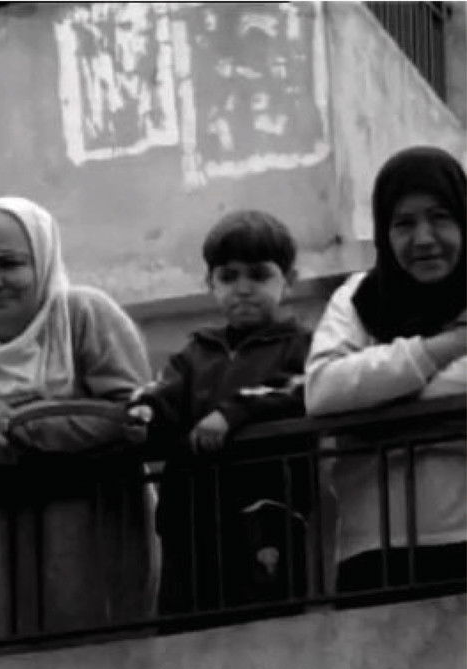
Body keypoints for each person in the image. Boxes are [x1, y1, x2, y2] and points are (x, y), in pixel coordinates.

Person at [0, 196, 157, 632]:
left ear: (43, 259)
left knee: (89, 649)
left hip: (89, 527)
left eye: (9, 263)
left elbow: (134, 413)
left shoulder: (83, 316)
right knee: (6, 653)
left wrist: (19, 426)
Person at [129, 209, 311, 614]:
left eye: (258, 276)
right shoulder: (195, 353)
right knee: (186, 630)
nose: (243, 289)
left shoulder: (302, 345)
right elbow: (160, 397)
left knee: (267, 628)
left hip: (268, 518)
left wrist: (233, 413)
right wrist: (139, 416)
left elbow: (304, 388)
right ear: (209, 284)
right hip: (191, 522)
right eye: (228, 277)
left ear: (289, 280)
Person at [305, 146, 466, 597]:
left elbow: (346, 392)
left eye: (441, 217)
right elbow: (323, 391)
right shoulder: (358, 298)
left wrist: (375, 412)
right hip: (373, 551)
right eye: (404, 223)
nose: (424, 238)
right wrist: (446, 347)